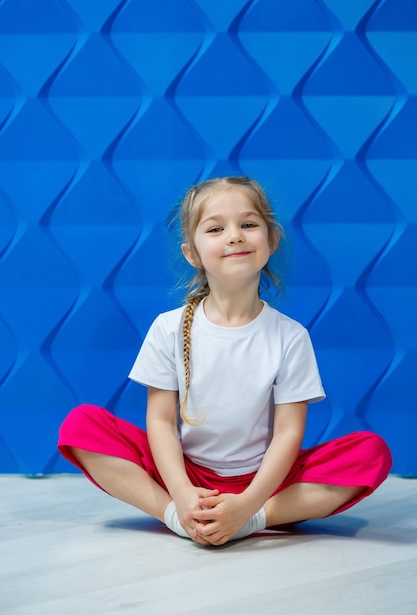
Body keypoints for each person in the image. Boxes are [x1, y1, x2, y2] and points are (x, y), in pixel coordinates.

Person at [58, 176, 392, 547]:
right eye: (216, 228)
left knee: (369, 452)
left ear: (271, 241)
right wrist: (182, 494)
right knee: (81, 425)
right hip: (184, 473)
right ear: (192, 253)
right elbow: (161, 421)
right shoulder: (168, 328)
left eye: (248, 225)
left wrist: (248, 505)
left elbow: (288, 434)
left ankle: (253, 520)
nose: (235, 236)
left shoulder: (290, 336)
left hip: (265, 479)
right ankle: (177, 517)